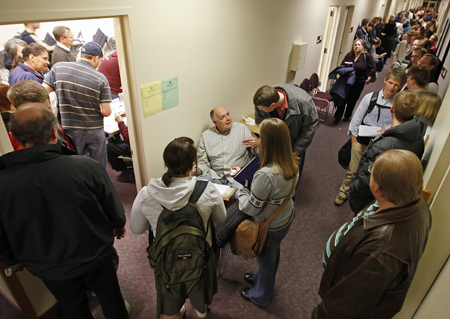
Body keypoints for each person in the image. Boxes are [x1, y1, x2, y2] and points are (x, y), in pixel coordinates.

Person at [0, 104, 130, 319]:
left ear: (15, 138)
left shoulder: (3, 182)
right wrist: (118, 225)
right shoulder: (86, 166)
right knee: (111, 298)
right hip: (95, 254)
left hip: (47, 265)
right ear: (54, 132)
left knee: (72, 308)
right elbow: (111, 204)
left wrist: (12, 259)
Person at [313, 149, 432, 319]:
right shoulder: (416, 203)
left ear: (376, 187)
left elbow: (343, 306)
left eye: (371, 172)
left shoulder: (380, 253)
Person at [131, 137, 226, 319]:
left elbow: (136, 229)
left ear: (166, 164)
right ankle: (201, 310)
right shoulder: (207, 189)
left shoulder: (146, 193)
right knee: (201, 292)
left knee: (170, 303)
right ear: (193, 165)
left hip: (166, 260)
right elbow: (221, 218)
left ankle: (174, 313)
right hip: (201, 256)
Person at [235, 118, 299, 306]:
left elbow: (251, 207)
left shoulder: (266, 175)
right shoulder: (293, 161)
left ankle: (260, 296)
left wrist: (243, 190)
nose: (257, 139)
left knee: (267, 261)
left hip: (268, 226)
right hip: (284, 217)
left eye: (260, 136)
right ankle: (259, 278)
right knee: (272, 254)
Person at [334, 68, 406, 206]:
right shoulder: (370, 98)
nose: (392, 87)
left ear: (402, 86)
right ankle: (344, 192)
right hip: (361, 141)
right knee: (353, 170)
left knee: (373, 174)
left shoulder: (398, 104)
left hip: (381, 145)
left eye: (396, 85)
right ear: (385, 80)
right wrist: (354, 140)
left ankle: (364, 199)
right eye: (390, 82)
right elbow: (356, 119)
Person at [348, 91, 427, 214]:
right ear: (416, 113)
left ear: (392, 109)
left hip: (375, 200)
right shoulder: (418, 137)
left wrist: (353, 193)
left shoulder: (382, 146)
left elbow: (365, 181)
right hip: (395, 196)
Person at [43, 41, 112, 169]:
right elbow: (107, 112)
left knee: (74, 166)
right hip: (94, 128)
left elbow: (42, 93)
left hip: (69, 128)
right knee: (98, 167)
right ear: (96, 58)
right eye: (101, 61)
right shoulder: (100, 78)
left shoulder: (58, 68)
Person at [253, 84, 318, 182]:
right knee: (275, 174)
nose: (260, 110)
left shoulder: (304, 102)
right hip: (274, 142)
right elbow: (260, 120)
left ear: (273, 105)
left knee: (292, 174)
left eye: (262, 109)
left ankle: (291, 195)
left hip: (295, 142)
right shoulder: (263, 100)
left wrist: (299, 147)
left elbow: (311, 126)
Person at [196, 106, 257, 195]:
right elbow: (202, 162)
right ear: (215, 122)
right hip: (215, 175)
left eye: (228, 114)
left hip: (237, 176)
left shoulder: (242, 129)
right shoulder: (206, 136)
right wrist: (196, 170)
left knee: (243, 197)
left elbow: (256, 152)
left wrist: (259, 144)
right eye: (222, 117)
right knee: (195, 188)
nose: (228, 118)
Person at [7, 80, 76, 151]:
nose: (47, 117)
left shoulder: (56, 126)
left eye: (48, 109)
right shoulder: (10, 142)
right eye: (39, 113)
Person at [332, 38, 376, 124]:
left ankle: (347, 116)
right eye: (355, 45)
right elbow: (342, 66)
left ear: (362, 46)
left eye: (359, 45)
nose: (357, 46)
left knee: (352, 100)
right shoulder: (349, 55)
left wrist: (370, 77)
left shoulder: (366, 56)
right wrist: (347, 71)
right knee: (343, 99)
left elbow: (373, 67)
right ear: (353, 46)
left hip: (359, 82)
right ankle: (337, 117)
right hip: (347, 82)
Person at [107, 112, 134, 183]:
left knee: (108, 148)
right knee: (115, 141)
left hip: (134, 146)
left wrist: (120, 122)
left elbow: (128, 140)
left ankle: (126, 174)